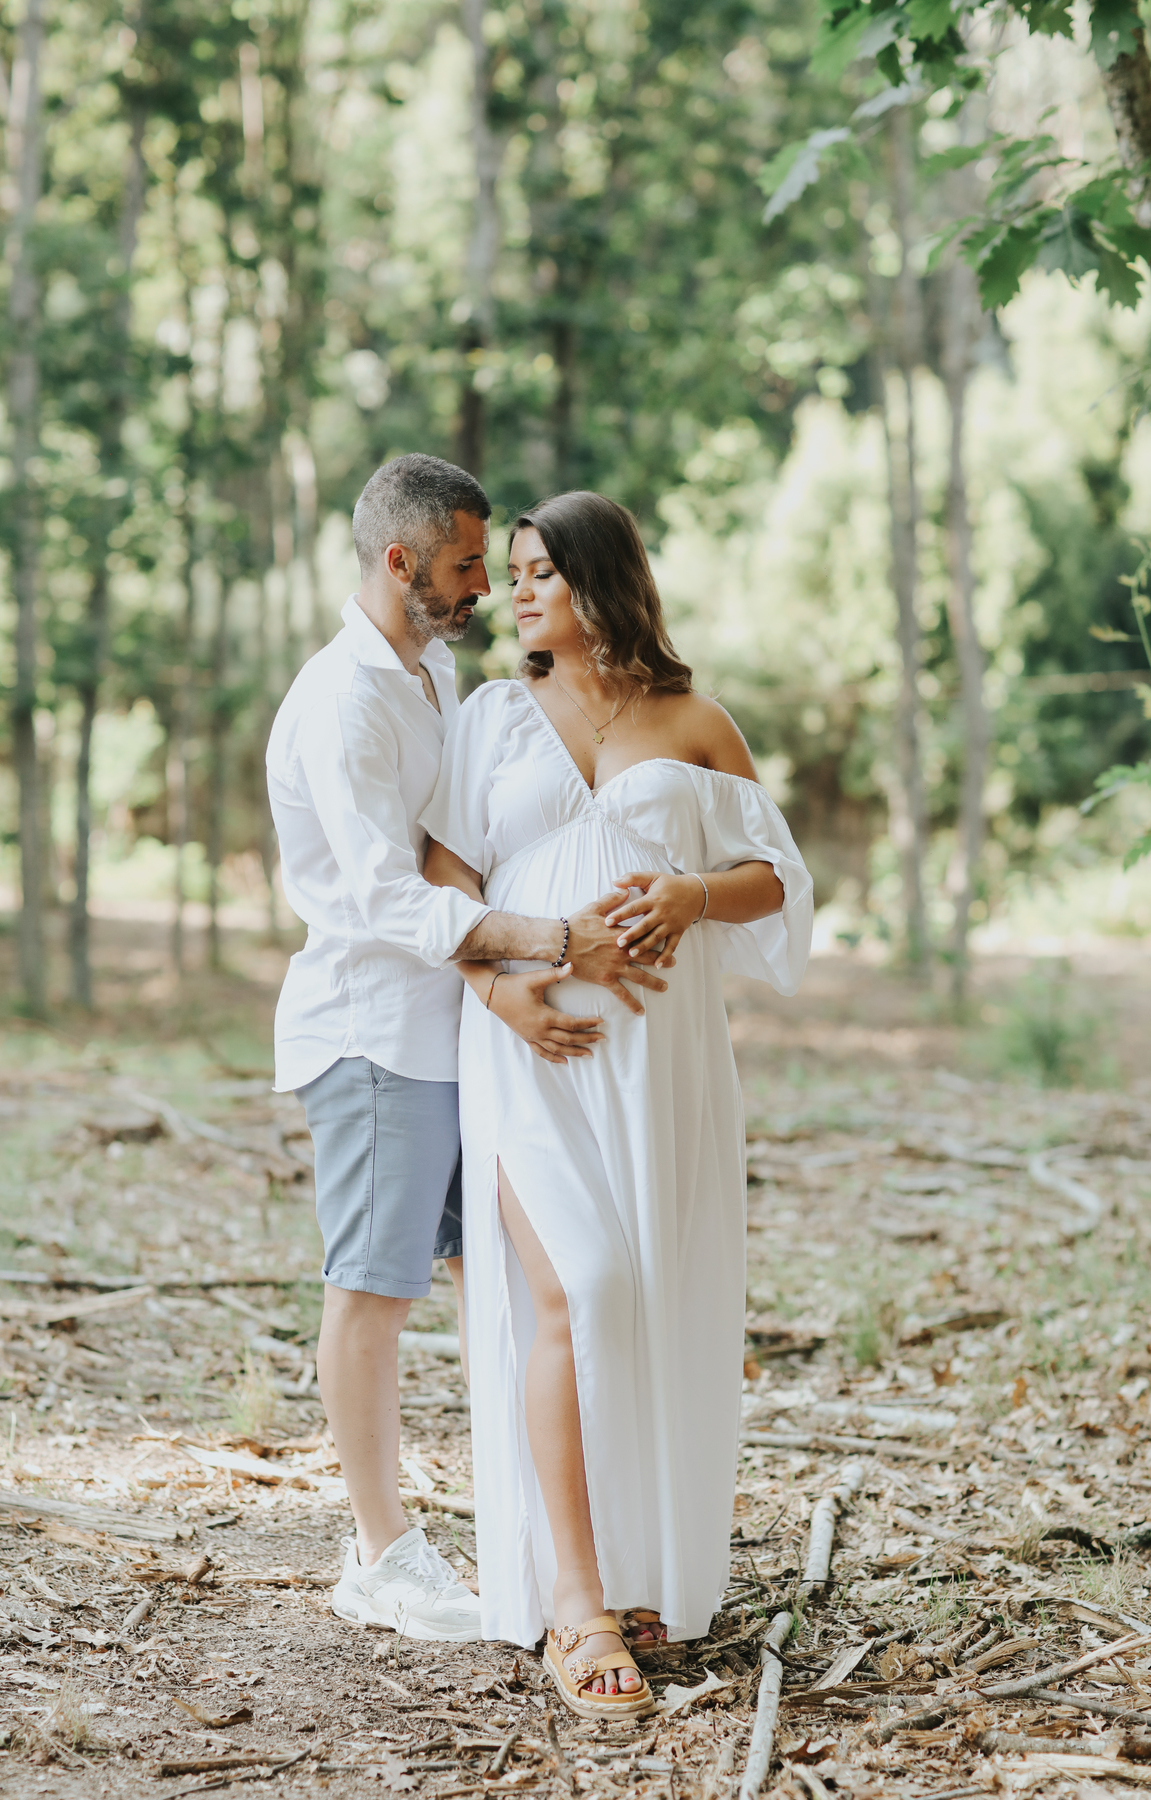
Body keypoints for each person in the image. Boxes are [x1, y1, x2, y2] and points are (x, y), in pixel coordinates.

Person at [266, 456, 673, 1644]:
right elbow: (390, 899)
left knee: (495, 1281)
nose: (480, 590)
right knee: (374, 1286)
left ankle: (550, 1548)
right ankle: (380, 1551)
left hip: (458, 1033)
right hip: (375, 1032)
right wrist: (553, 941)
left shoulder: (433, 669)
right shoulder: (343, 702)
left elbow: (466, 841)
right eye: (460, 568)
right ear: (399, 565)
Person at [421, 490, 813, 1710]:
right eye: (514, 572)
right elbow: (440, 879)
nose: (518, 593)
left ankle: (639, 1574)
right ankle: (574, 1603)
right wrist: (504, 1000)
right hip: (532, 1048)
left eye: (541, 572)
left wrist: (694, 896)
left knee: (650, 1302)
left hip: (666, 1063)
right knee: (577, 1290)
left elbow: (775, 878)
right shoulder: (489, 720)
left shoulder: (692, 719)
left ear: (605, 581)